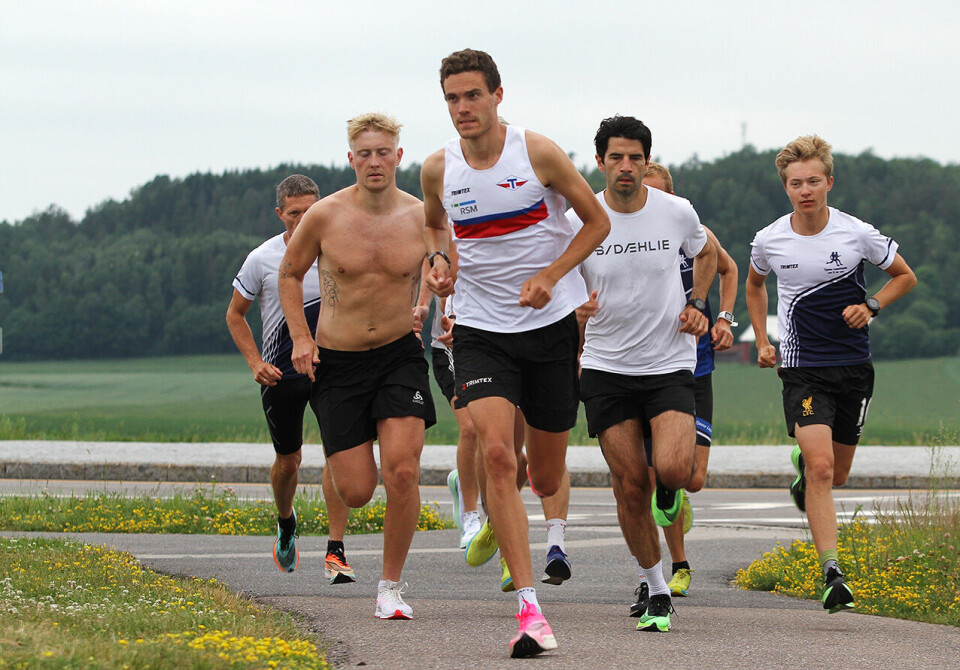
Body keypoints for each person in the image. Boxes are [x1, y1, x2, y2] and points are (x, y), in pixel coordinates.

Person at [421, 48, 610, 658]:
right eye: (452, 98)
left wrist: (553, 276)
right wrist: (442, 264)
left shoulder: (538, 153)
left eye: (472, 95)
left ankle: (525, 510)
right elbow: (433, 227)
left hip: (549, 325)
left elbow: (596, 222)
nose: (462, 108)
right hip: (478, 329)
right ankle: (530, 609)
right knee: (498, 454)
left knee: (545, 472)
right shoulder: (436, 169)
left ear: (498, 95)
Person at [745, 135, 916, 613]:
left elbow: (905, 275)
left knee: (835, 474)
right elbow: (755, 284)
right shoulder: (770, 239)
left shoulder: (856, 233)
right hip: (803, 370)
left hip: (854, 368)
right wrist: (762, 339)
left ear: (829, 183)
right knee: (822, 466)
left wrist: (872, 305)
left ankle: (805, 474)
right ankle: (831, 571)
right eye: (796, 183)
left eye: (813, 181)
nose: (806, 190)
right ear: (786, 188)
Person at [278, 113, 437, 620]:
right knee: (358, 490)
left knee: (404, 472)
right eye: (363, 153)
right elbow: (289, 272)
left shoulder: (421, 217)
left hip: (399, 356)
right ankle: (354, 466)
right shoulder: (324, 216)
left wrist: (441, 307)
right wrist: (301, 338)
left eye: (382, 152)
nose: (374, 161)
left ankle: (390, 587)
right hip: (338, 362)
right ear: (350, 159)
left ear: (398, 157)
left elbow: (448, 269)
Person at [572, 115, 717, 633]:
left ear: (646, 159)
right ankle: (656, 587)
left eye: (635, 157)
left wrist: (699, 302)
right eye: (617, 157)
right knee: (629, 484)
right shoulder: (579, 218)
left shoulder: (676, 212)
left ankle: (669, 495)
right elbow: (561, 283)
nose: (626, 166)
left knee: (675, 470)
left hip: (668, 361)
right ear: (601, 162)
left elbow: (707, 253)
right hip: (607, 367)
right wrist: (576, 314)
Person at [225, 174, 355, 583]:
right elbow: (235, 315)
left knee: (338, 454)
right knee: (289, 461)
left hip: (332, 367)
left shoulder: (339, 248)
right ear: (280, 213)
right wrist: (254, 363)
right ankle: (286, 521)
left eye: (310, 211)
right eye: (294, 213)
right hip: (281, 371)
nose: (302, 220)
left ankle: (336, 550)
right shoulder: (262, 258)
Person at [627, 162, 738, 613]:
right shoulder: (625, 236)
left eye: (656, 194)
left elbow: (730, 270)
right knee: (652, 474)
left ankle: (675, 497)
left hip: (696, 367)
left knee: (689, 478)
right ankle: (669, 569)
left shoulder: (693, 232)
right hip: (647, 368)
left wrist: (725, 318)